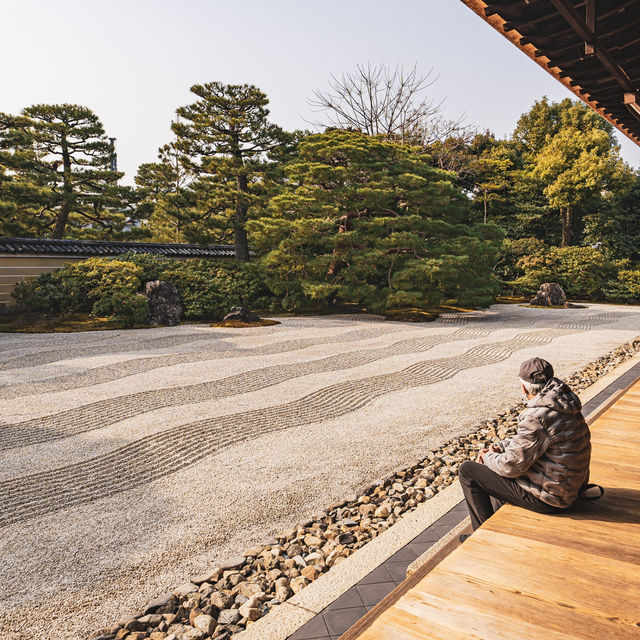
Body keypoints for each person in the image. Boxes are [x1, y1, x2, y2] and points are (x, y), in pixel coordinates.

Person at [458, 357, 592, 531]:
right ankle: (496, 524)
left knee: (468, 471)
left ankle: (482, 534)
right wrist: (501, 447)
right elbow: (532, 442)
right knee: (495, 470)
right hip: (571, 488)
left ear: (523, 388)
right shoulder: (563, 403)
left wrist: (488, 456)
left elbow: (511, 466)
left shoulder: (538, 416)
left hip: (552, 499)